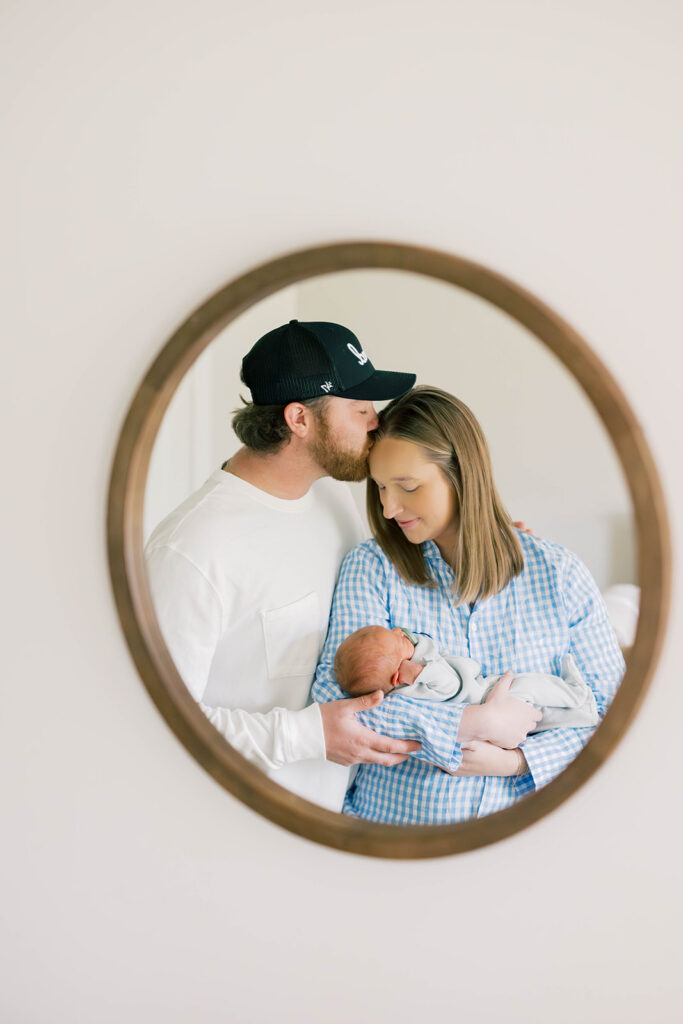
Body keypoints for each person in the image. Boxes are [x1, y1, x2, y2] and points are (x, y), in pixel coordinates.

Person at [145, 318, 428, 811]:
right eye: (360, 408)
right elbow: (156, 722)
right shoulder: (192, 549)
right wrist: (307, 735)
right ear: (300, 419)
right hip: (235, 835)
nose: (377, 421)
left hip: (336, 823)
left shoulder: (336, 503)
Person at [311, 386, 625, 824]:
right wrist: (468, 725)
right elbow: (335, 702)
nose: (388, 508)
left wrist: (517, 761)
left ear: (462, 475)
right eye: (380, 487)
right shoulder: (372, 568)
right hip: (391, 837)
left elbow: (616, 720)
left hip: (524, 843)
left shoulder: (558, 575)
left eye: (407, 486)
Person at [334, 624, 599, 732]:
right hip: (489, 698)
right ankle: (577, 695)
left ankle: (582, 715)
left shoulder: (403, 685)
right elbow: (453, 685)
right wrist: (422, 670)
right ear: (398, 676)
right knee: (535, 687)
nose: (400, 632)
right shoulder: (416, 683)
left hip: (488, 699)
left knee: (542, 716)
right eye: (398, 640)